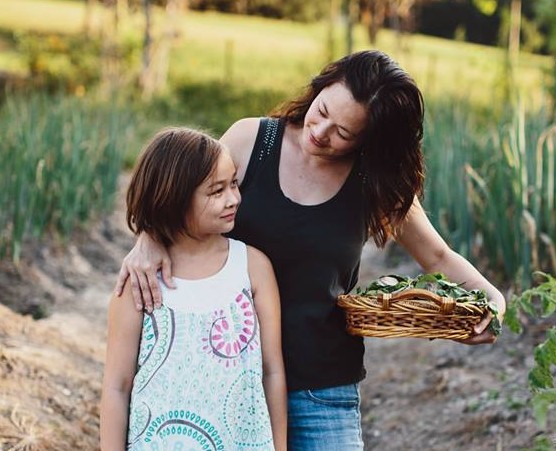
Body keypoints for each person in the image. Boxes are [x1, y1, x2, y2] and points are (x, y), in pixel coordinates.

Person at [114, 50, 506, 450]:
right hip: (226, 380)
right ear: (318, 87)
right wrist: (147, 238)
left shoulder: (375, 184)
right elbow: (181, 194)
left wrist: (493, 300)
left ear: (369, 139)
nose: (320, 132)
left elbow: (437, 257)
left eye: (344, 133)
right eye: (321, 111)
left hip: (322, 388)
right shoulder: (251, 141)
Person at [100, 127, 287, 450]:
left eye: (234, 184)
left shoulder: (253, 268)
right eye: (216, 191)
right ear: (172, 199)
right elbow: (117, 386)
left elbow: (271, 372)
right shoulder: (141, 280)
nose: (233, 199)